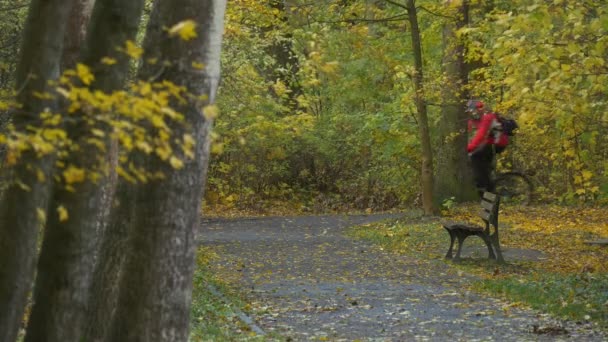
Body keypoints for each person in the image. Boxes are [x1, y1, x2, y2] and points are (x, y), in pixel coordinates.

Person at [466, 99, 508, 196]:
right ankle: (486, 183)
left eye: (473, 110)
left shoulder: (487, 117)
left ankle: (485, 188)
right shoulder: (477, 120)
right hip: (490, 143)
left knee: (475, 157)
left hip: (497, 143)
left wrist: (469, 148)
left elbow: (480, 135)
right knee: (481, 162)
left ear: (479, 109)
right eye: (470, 111)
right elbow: (471, 132)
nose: (472, 113)